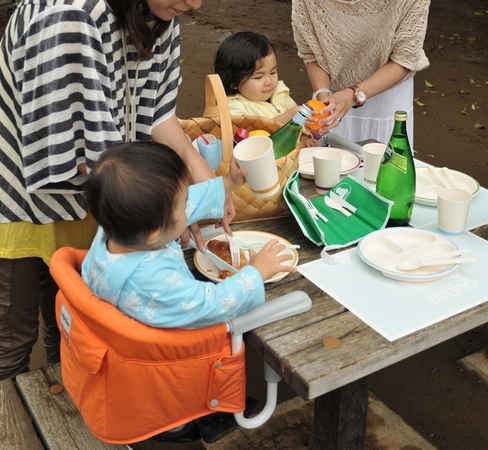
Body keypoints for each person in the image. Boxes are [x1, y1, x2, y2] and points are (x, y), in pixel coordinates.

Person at [0, 0, 231, 380]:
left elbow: (156, 110)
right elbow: (70, 151)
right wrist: (168, 204)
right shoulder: (69, 17)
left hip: (100, 190)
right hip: (24, 196)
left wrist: (202, 175)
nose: (194, 4)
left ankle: (74, 409)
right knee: (11, 340)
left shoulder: (160, 9)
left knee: (69, 324)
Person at [82, 141, 296, 329]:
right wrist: (256, 272)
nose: (188, 206)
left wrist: (228, 183)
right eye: (183, 207)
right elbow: (211, 304)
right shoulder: (152, 282)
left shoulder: (117, 225)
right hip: (173, 361)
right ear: (154, 232)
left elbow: (180, 203)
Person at [291, 0, 430, 146]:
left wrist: (353, 95)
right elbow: (311, 53)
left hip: (387, 96)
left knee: (385, 165)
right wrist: (323, 97)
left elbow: (404, 58)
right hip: (331, 96)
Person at [214, 31, 317, 148]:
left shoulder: (279, 93)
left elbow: (299, 127)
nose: (269, 82)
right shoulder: (232, 107)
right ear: (233, 82)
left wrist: (303, 137)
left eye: (273, 72)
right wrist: (290, 117)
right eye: (258, 77)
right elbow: (251, 137)